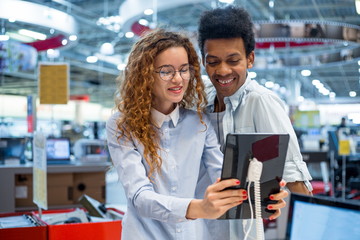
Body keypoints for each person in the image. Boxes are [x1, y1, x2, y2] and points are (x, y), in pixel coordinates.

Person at [106, 29, 262, 239]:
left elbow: (222, 177)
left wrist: (261, 195)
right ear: (144, 75)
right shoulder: (122, 125)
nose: (178, 79)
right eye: (166, 71)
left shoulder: (199, 123)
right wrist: (199, 208)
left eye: (184, 70)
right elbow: (139, 197)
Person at [196, 5, 313, 239]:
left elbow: (293, 173)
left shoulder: (261, 102)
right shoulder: (200, 100)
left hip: (237, 231)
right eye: (213, 62)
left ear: (250, 59)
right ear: (203, 61)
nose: (223, 70)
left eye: (233, 60)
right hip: (197, 225)